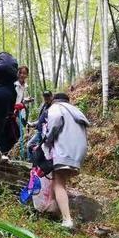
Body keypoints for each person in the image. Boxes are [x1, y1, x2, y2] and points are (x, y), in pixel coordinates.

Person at [42, 92, 90, 230]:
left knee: (59, 183)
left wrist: (48, 138)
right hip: (77, 152)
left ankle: (67, 220)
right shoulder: (76, 111)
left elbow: (55, 120)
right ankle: (51, 206)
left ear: (55, 101)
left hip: (63, 149)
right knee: (58, 180)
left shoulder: (56, 108)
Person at [27, 90, 53, 162]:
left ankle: (36, 165)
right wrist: (33, 124)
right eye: (45, 97)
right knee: (31, 145)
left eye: (48, 96)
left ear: (51, 96)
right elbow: (41, 119)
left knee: (41, 149)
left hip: (46, 133)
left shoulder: (53, 107)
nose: (46, 98)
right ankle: (32, 163)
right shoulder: (44, 106)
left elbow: (48, 120)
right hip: (40, 131)